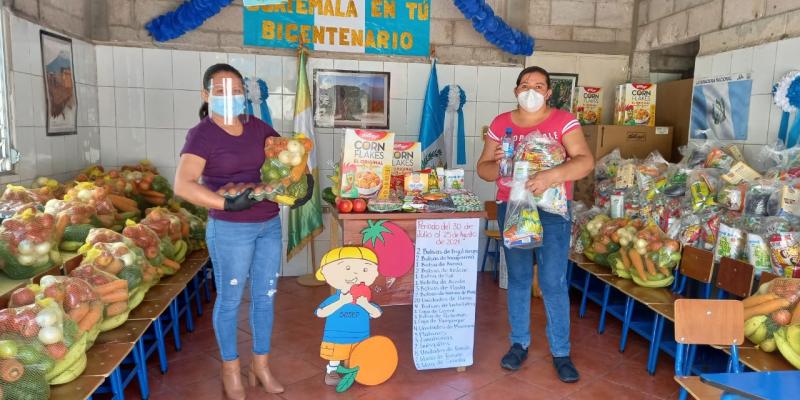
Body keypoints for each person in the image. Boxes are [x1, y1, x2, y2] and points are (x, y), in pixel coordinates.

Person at [174, 63, 313, 399]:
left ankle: (261, 366)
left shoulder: (258, 126)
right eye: (220, 90)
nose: (230, 96)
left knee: (265, 297)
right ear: (206, 95)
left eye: (236, 89)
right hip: (230, 229)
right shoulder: (202, 134)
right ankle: (231, 370)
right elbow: (183, 185)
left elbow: (287, 162)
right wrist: (225, 205)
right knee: (231, 300)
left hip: (268, 223)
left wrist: (302, 184)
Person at [476, 66, 594, 382]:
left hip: (553, 210)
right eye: (525, 84)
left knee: (553, 281)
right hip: (513, 208)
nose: (532, 90)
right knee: (518, 277)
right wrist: (498, 161)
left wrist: (551, 176)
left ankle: (561, 352)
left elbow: (584, 160)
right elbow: (483, 170)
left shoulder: (562, 121)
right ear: (516, 90)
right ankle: (519, 343)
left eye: (539, 85)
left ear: (549, 92)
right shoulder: (501, 124)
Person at [315, 247, 383, 386]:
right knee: (335, 357)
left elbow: (376, 314)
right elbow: (321, 312)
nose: (355, 274)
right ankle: (332, 372)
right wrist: (341, 302)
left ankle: (350, 368)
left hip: (360, 338)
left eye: (364, 270)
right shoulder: (336, 299)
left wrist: (364, 304)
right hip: (336, 338)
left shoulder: (365, 300)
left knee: (356, 356)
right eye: (347, 268)